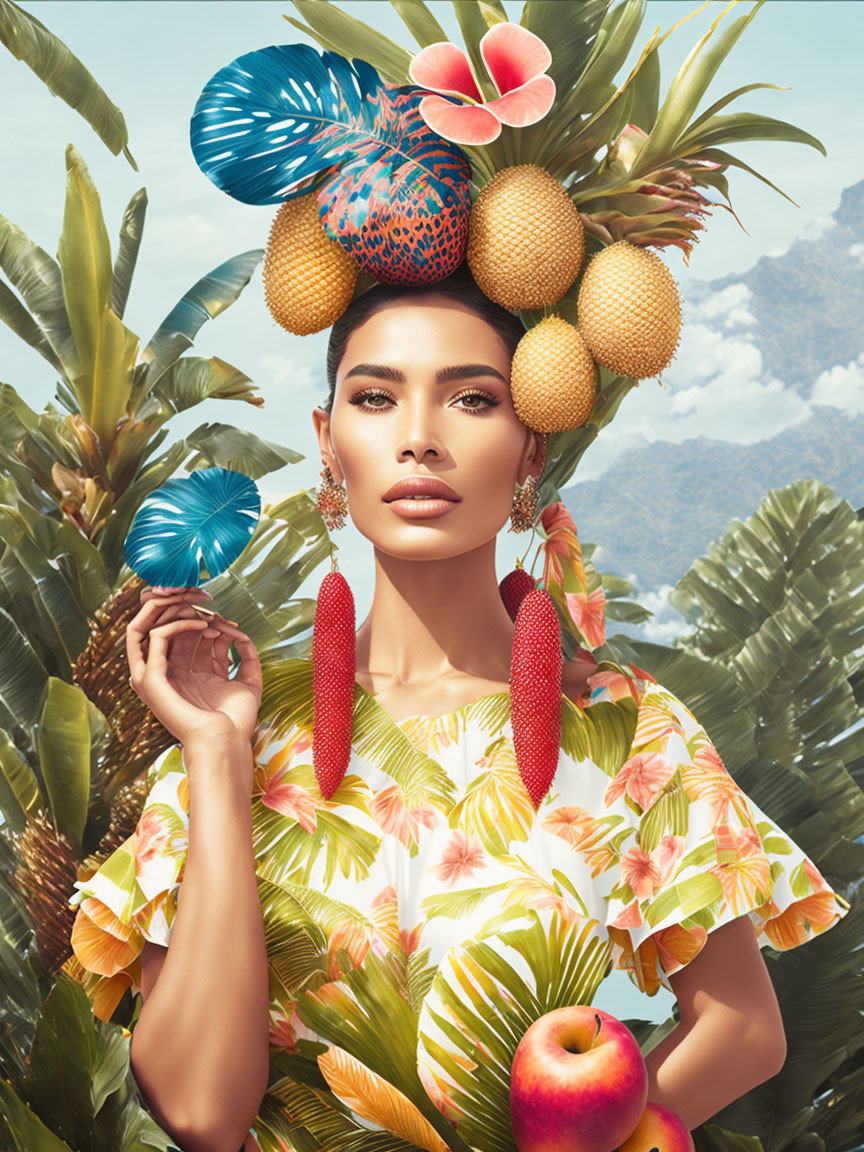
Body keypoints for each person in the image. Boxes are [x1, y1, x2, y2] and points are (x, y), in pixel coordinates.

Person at [67, 269, 851, 1152]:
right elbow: (203, 1115)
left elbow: (744, 1029)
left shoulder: (626, 730)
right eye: (375, 397)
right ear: (329, 441)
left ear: (530, 452)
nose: (418, 440)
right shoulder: (241, 740)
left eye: (471, 400)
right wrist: (215, 755)